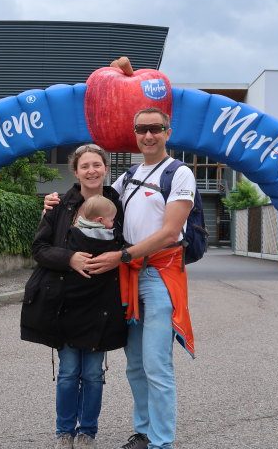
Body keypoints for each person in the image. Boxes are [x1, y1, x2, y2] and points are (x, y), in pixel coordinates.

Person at [44, 108, 196, 449]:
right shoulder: (126, 179)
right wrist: (52, 202)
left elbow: (171, 232)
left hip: (158, 273)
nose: (148, 135)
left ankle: (161, 442)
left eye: (155, 128)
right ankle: (143, 432)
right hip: (126, 277)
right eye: (141, 129)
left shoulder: (179, 173)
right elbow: (90, 204)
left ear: (167, 132)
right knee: (136, 365)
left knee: (157, 364)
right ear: (135, 134)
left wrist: (124, 255)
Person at [20, 144, 128, 449]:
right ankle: (64, 432)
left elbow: (128, 244)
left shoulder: (118, 203)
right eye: (85, 166)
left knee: (93, 373)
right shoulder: (59, 205)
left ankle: (87, 432)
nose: (91, 171)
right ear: (75, 171)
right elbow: (39, 249)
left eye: (97, 165)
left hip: (102, 301)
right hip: (66, 301)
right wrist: (70, 258)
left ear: (105, 168)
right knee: (68, 373)